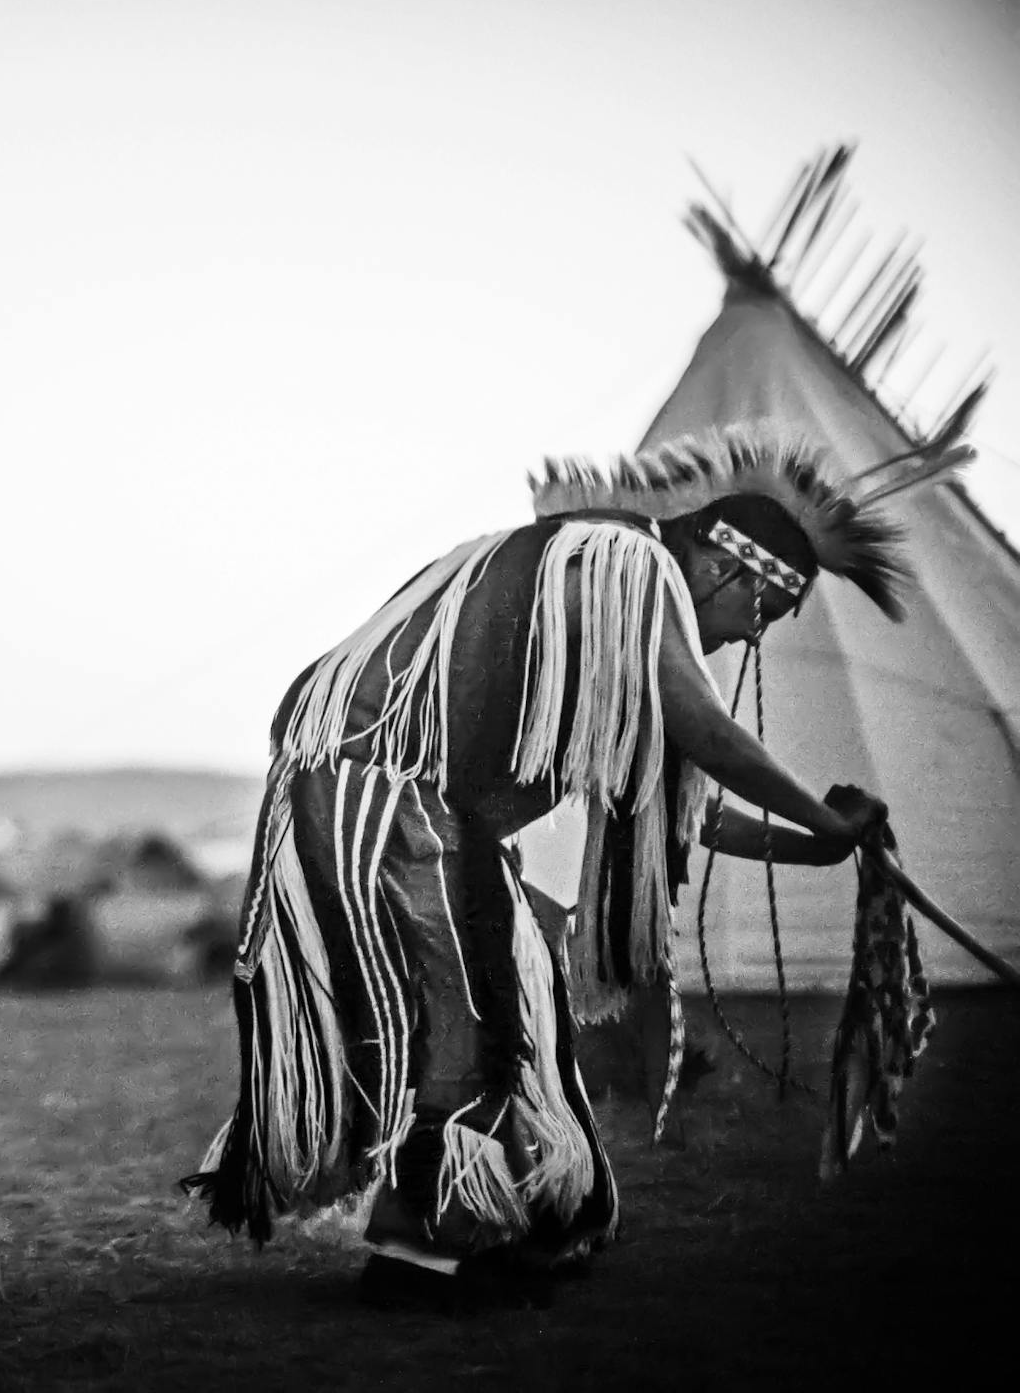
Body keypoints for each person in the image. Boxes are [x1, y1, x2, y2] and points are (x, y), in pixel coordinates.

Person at [184, 431, 931, 1311]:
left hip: (379, 798)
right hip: (383, 794)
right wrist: (819, 813)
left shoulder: (595, 599)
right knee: (478, 1013)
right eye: (770, 610)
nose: (754, 635)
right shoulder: (625, 561)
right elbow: (702, 727)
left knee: (516, 992)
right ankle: (419, 1250)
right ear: (737, 570)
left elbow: (679, 802)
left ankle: (487, 1220)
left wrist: (821, 842)